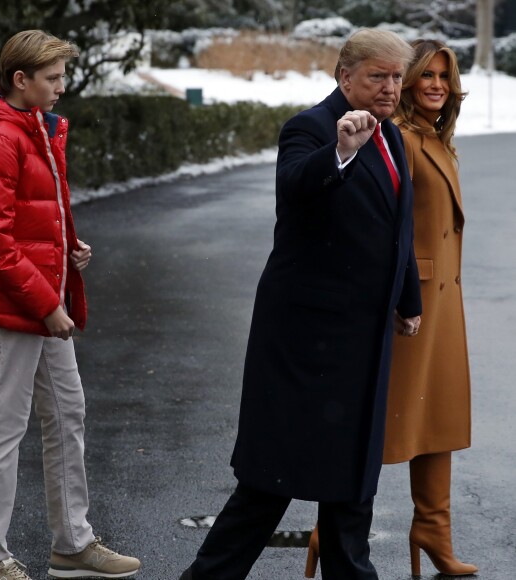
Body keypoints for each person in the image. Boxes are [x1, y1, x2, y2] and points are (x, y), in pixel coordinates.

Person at [179, 28, 422, 580]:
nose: (390, 88)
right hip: (304, 338)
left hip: (363, 337)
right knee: (273, 477)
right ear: (344, 75)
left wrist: (408, 298)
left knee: (355, 472)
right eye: (376, 77)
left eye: (395, 77)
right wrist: (340, 151)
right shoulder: (311, 128)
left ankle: (350, 573)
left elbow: (398, 229)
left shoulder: (394, 136)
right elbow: (294, 185)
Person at [0, 30, 141, 580]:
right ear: (21, 80)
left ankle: (72, 545)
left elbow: (33, 222)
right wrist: (45, 303)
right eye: (53, 78)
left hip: (39, 298)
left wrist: (66, 254)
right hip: (17, 306)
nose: (62, 88)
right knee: (3, 427)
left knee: (66, 414)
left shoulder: (35, 127)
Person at [382, 39, 477, 577]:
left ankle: (433, 532)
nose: (438, 84)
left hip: (443, 304)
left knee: (437, 419)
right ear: (410, 80)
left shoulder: (437, 140)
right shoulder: (401, 137)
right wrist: (403, 295)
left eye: (445, 75)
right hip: (409, 307)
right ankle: (334, 530)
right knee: (385, 422)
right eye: (427, 76)